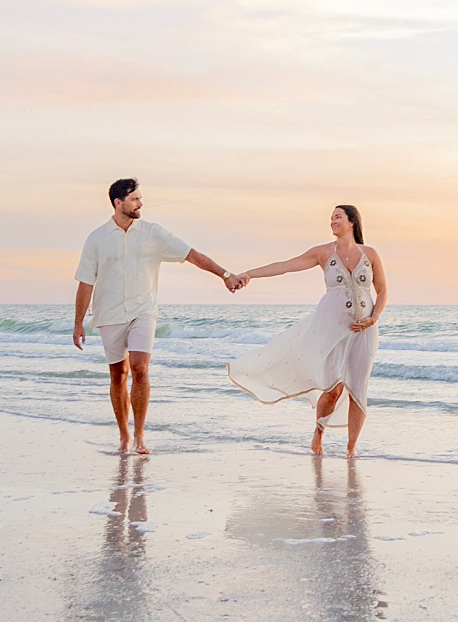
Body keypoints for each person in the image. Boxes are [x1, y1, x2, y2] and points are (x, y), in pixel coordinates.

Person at [73, 178, 245, 455]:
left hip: (144, 310)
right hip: (110, 313)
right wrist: (78, 322)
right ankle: (124, 436)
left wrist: (225, 275)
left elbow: (192, 254)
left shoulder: (153, 233)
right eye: (135, 199)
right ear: (118, 203)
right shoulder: (97, 238)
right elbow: (85, 282)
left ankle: (140, 436)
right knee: (118, 374)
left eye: (140, 198)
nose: (141, 204)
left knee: (140, 368)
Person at [227, 205, 388, 456]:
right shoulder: (323, 253)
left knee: (358, 387)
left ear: (352, 222)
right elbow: (285, 265)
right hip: (331, 328)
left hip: (365, 331)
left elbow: (383, 290)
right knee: (333, 388)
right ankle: (319, 431)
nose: (332, 221)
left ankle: (351, 448)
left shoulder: (370, 254)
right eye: (331, 218)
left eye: (338, 217)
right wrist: (250, 274)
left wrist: (374, 318)